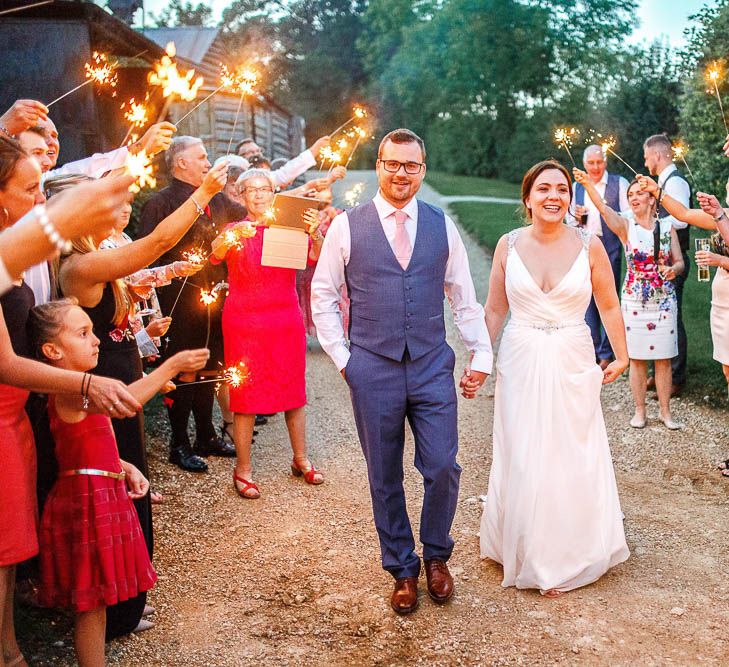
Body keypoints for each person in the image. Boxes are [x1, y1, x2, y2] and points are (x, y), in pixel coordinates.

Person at [311, 129, 492, 613]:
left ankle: (437, 556)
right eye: (392, 164)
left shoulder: (441, 225)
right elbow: (323, 298)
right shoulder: (348, 227)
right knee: (383, 473)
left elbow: (463, 298)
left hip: (432, 364)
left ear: (422, 170)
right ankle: (402, 568)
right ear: (381, 164)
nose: (400, 174)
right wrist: (346, 360)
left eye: (411, 166)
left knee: (442, 466)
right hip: (372, 366)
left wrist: (482, 354)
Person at [57, 161, 228, 638]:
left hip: (123, 377)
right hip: (105, 388)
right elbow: (154, 244)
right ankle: (115, 613)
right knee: (117, 496)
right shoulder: (80, 264)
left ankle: (127, 605)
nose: (112, 207)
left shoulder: (95, 252)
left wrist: (148, 358)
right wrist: (205, 192)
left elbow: (140, 280)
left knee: (132, 490)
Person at [0, 138, 138, 667]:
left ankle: (10, 645)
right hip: (12, 405)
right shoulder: (60, 256)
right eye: (32, 188)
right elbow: (6, 361)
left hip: (18, 412)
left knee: (10, 550)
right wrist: (83, 385)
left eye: (44, 189)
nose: (41, 196)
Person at [476, 160, 629, 596]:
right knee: (522, 448)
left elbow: (610, 305)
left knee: (570, 448)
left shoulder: (590, 245)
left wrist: (620, 353)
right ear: (527, 198)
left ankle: (566, 556)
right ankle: (522, 544)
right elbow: (494, 310)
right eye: (543, 189)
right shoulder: (508, 245)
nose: (553, 197)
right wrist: (480, 361)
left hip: (572, 355)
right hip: (521, 356)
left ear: (570, 197)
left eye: (562, 189)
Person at [28, 298, 209, 667]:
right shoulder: (69, 389)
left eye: (92, 332)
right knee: (91, 607)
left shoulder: (83, 388)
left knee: (99, 603)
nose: (96, 340)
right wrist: (169, 367)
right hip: (86, 503)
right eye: (83, 334)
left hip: (102, 493)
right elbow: (124, 403)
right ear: (52, 351)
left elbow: (89, 438)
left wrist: (123, 466)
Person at [211, 168, 324, 498]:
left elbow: (313, 258)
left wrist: (314, 235)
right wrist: (235, 235)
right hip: (243, 319)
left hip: (285, 317)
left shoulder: (287, 228)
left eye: (265, 189)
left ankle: (300, 458)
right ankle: (243, 468)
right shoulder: (235, 229)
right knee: (245, 394)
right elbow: (214, 254)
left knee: (292, 387)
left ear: (275, 195)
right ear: (241, 195)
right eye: (252, 190)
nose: (259, 194)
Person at [139, 137, 245, 472]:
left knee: (210, 365)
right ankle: (179, 442)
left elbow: (251, 217)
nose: (207, 161)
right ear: (180, 162)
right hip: (178, 301)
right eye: (200, 156)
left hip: (214, 299)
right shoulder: (160, 203)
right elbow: (146, 255)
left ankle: (206, 435)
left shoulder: (216, 199)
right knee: (184, 369)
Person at [575, 169, 684, 429]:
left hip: (663, 302)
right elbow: (602, 208)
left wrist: (673, 270)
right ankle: (640, 411)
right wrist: (589, 184)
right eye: (630, 194)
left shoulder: (668, 227)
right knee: (635, 358)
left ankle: (666, 413)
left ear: (651, 199)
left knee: (664, 358)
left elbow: (679, 261)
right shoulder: (626, 225)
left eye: (639, 194)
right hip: (635, 302)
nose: (634, 198)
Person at [568, 145, 629, 369]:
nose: (595, 167)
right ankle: (590, 347)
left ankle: (607, 351)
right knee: (585, 296)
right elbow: (569, 221)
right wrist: (576, 216)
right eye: (591, 163)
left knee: (608, 297)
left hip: (610, 245)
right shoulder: (576, 187)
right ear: (584, 164)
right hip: (583, 246)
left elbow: (626, 216)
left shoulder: (619, 183)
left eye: (599, 162)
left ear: (605, 162)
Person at [643, 134, 691, 395]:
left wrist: (658, 201)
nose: (645, 160)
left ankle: (676, 376)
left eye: (647, 155)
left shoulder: (675, 183)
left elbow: (682, 221)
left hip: (675, 258)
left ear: (657, 156)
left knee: (672, 316)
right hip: (658, 257)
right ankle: (657, 371)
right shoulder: (661, 182)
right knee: (656, 316)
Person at [236, 135, 331, 188]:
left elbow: (286, 173)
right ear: (239, 157)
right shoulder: (236, 177)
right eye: (251, 152)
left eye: (258, 151)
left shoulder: (267, 177)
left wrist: (315, 149)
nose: (257, 155)